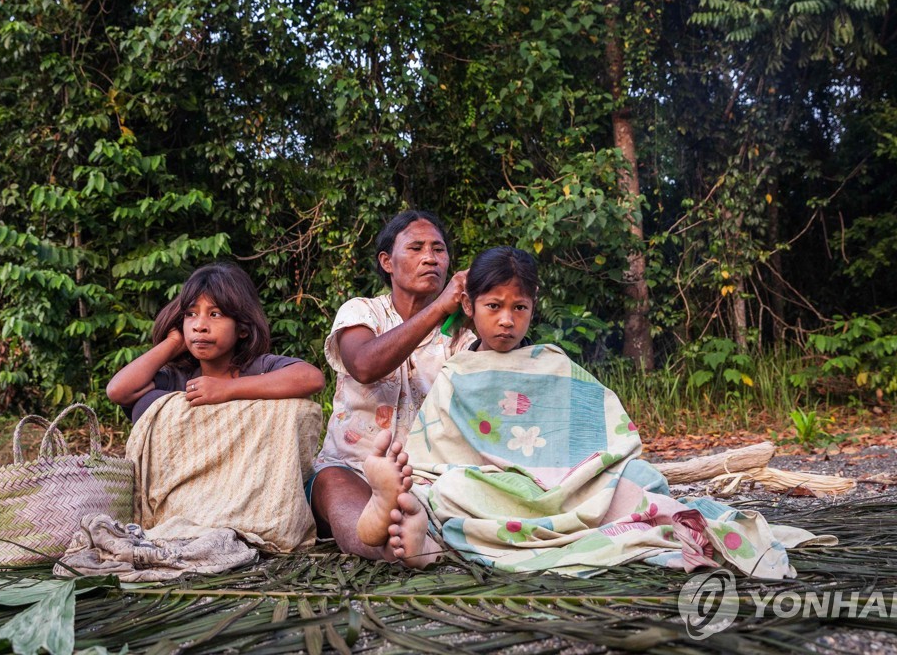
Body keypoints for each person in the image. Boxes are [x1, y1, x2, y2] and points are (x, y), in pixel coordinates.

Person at [381, 246, 830, 575]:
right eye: (493, 306)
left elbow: (601, 432)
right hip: (494, 486)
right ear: (468, 305)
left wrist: (565, 475)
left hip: (569, 485)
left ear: (533, 309)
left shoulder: (552, 363)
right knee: (444, 489)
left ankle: (461, 537)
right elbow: (434, 453)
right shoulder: (457, 372)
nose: (506, 320)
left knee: (641, 480)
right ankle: (429, 536)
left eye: (519, 307)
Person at [107, 261, 325, 552]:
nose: (200, 325)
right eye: (190, 315)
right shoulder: (176, 377)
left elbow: (311, 377)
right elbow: (119, 390)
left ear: (243, 329)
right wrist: (173, 342)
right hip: (184, 513)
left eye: (215, 314)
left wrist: (227, 390)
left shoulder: (258, 368)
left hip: (249, 505)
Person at [311, 210, 475, 561]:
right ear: (387, 261)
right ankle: (393, 541)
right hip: (349, 467)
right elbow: (365, 365)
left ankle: (411, 536)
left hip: (430, 478)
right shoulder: (361, 312)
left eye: (438, 249)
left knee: (449, 497)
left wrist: (490, 308)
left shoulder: (463, 338)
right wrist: (439, 307)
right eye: (415, 248)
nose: (430, 257)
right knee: (332, 485)